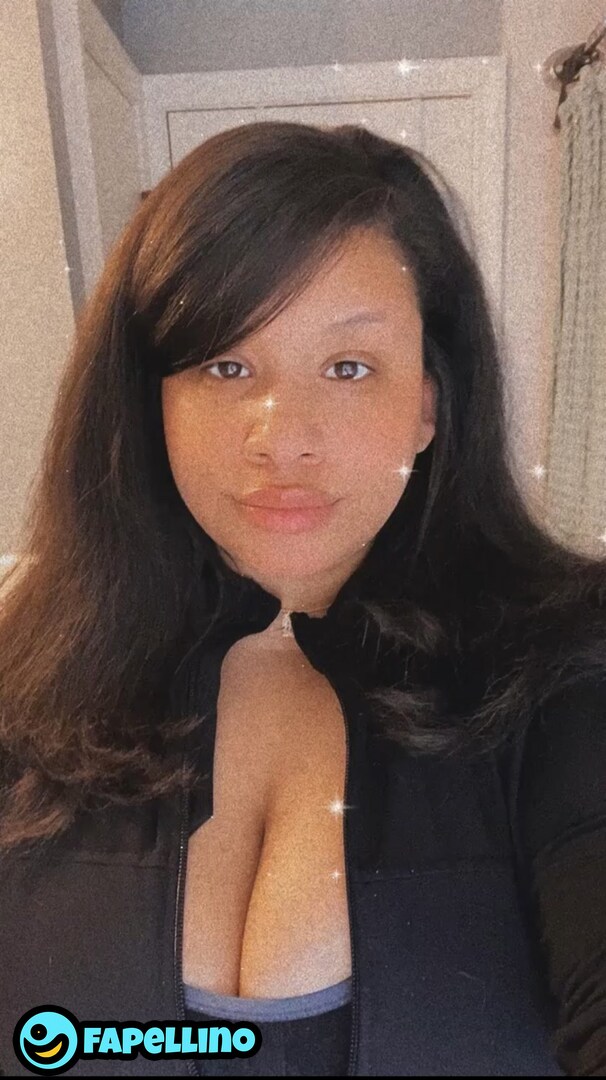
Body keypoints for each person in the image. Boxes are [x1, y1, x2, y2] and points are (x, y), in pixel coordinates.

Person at [0, 120, 605, 1077]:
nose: (283, 439)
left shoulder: (567, 666)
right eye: (226, 364)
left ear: (429, 402)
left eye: (349, 367)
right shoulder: (25, 676)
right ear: (151, 397)